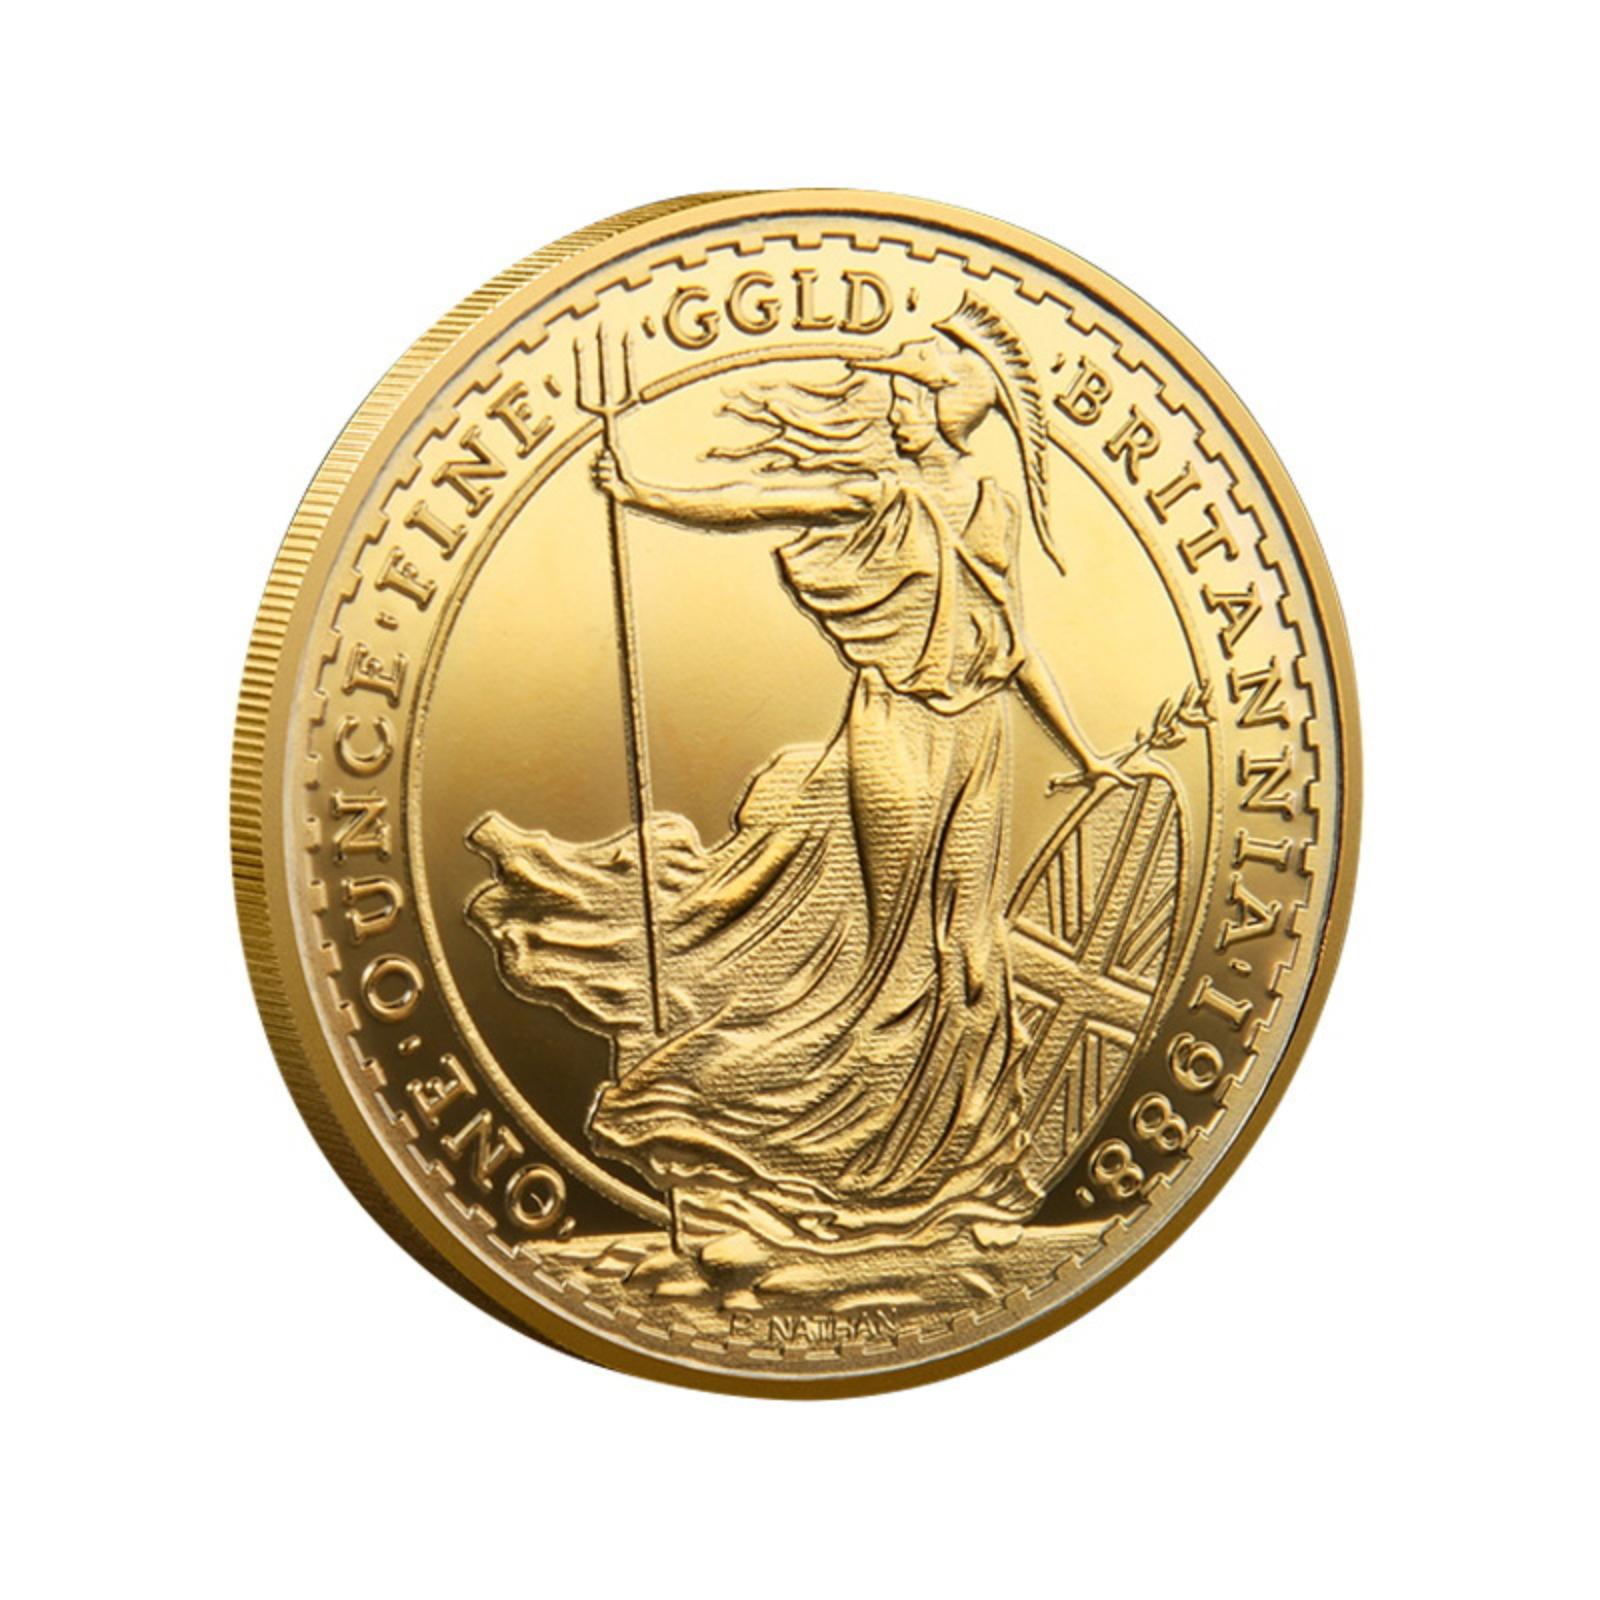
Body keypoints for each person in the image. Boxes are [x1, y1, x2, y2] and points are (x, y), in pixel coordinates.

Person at [467, 295, 1126, 1268]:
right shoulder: (878, 492)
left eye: (914, 395)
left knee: (969, 951)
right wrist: (643, 491)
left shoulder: (992, 508)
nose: (896, 408)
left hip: (982, 737)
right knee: (898, 957)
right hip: (897, 729)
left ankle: (945, 1177)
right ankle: (812, 1154)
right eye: (896, 393)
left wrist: (1085, 754)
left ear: (955, 409)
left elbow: (1017, 644)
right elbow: (753, 504)